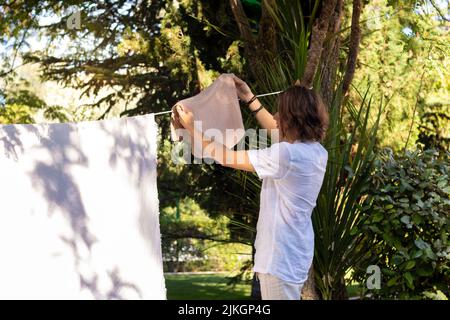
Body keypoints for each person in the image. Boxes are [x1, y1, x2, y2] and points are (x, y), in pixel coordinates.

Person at [175, 74, 329, 300]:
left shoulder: (286, 155)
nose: (276, 118)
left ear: (292, 119)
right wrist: (248, 97)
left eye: (281, 113)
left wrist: (192, 128)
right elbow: (276, 131)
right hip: (294, 254)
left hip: (279, 259)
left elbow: (225, 157)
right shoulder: (315, 151)